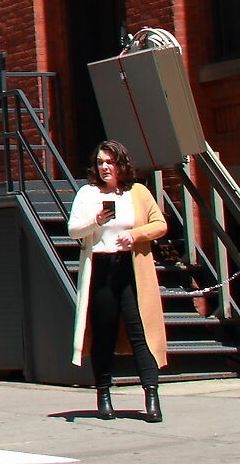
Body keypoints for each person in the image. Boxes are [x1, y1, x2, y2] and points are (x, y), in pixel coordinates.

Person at [69, 139, 169, 423]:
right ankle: (103, 395)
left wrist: (135, 235)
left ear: (121, 164)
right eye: (100, 162)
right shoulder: (88, 194)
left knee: (142, 334)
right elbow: (74, 229)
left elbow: (160, 224)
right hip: (101, 267)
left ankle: (151, 397)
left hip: (131, 268)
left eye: (109, 162)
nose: (104, 167)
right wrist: (97, 220)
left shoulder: (138, 192)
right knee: (104, 334)